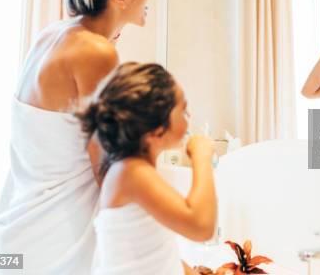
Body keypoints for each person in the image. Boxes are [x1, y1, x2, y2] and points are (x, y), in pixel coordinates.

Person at [0, 0, 153, 273]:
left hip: (20, 227)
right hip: (55, 240)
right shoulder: (97, 53)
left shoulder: (52, 35)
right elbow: (104, 166)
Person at [77, 62, 216, 275]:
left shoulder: (133, 171)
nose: (189, 118)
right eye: (183, 111)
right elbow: (202, 227)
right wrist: (202, 156)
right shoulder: (131, 173)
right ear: (157, 131)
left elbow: (156, 250)